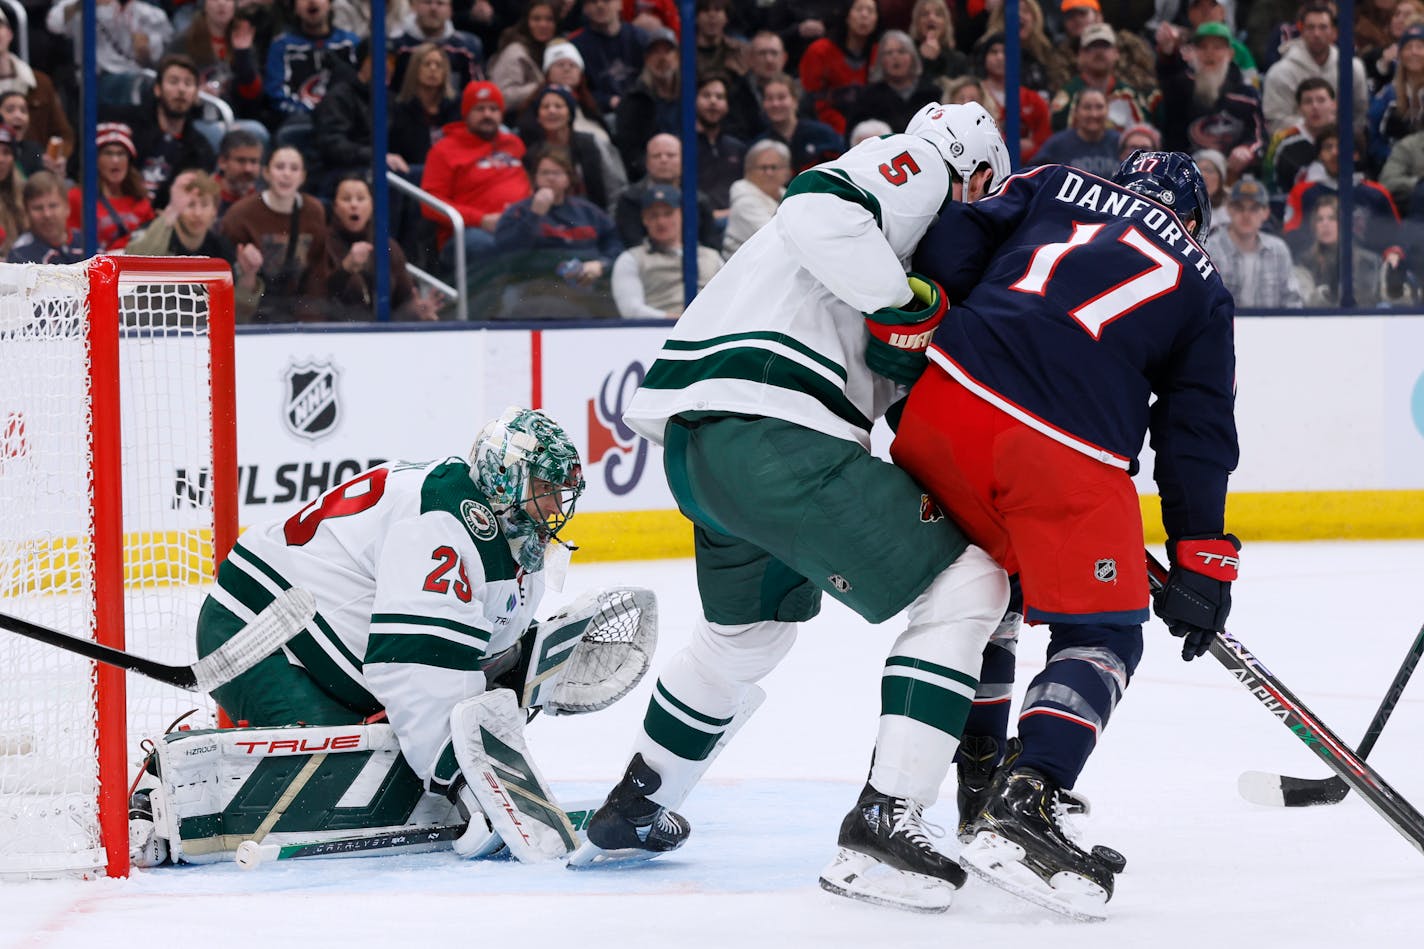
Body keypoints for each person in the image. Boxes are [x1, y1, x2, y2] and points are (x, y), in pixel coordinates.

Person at [574, 103, 1012, 917]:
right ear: (973, 167)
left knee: (747, 636)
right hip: (779, 429)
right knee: (971, 582)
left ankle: (636, 801)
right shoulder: (915, 165)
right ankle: (888, 817)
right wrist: (905, 301)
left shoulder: (887, 252)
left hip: (707, 446)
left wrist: (913, 322)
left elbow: (895, 381)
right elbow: (815, 206)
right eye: (986, 188)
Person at [895, 150, 1238, 918]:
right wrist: (1201, 558)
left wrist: (940, 350)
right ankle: (1030, 794)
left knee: (993, 586)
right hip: (1059, 449)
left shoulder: (1054, 183)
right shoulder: (1205, 283)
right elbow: (1196, 433)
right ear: (1193, 223)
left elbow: (954, 237)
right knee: (1103, 632)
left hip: (944, 408)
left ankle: (979, 777)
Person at [170, 408, 582, 862]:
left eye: (560, 493)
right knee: (347, 784)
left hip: (332, 652)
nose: (555, 507)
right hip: (261, 634)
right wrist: (466, 780)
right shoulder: (443, 522)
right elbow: (415, 669)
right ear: (505, 477)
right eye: (544, 490)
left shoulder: (508, 532)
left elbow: (465, 651)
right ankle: (160, 796)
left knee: (401, 768)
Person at [488, 145, 624, 317]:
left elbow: (615, 244)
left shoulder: (589, 212)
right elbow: (508, 253)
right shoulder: (518, 212)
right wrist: (534, 215)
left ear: (568, 179)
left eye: (557, 173)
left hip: (584, 285)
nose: (551, 178)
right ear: (535, 178)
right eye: (545, 173)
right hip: (532, 286)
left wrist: (602, 264)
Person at [420, 80, 532, 270]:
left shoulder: (514, 144)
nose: (487, 114)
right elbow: (430, 203)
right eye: (479, 109)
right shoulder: (444, 150)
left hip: (518, 226)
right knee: (489, 247)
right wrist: (481, 220)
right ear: (466, 113)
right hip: (469, 233)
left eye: (493, 109)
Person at [220, 145, 330, 323]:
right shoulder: (240, 214)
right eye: (280, 167)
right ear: (266, 173)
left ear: (303, 176)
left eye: (294, 168)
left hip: (299, 314)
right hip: (252, 313)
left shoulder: (314, 211)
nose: (286, 174)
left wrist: (313, 323)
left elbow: (317, 272)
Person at [104, 53, 218, 208]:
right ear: (157, 89)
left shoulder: (200, 149)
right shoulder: (127, 126)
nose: (181, 90)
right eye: (173, 81)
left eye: (188, 83)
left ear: (196, 95)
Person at [325, 174, 440, 321]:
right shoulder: (324, 243)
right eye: (346, 199)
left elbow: (403, 299)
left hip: (380, 336)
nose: (354, 205)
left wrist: (416, 311)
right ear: (335, 206)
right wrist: (345, 270)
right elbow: (317, 298)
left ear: (372, 205)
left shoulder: (387, 246)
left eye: (361, 199)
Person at [611, 183, 724, 317]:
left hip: (709, 329)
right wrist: (674, 320)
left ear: (682, 215)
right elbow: (631, 310)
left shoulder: (711, 256)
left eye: (668, 214)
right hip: (657, 333)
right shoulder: (631, 259)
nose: (661, 222)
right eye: (654, 215)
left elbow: (731, 297)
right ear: (644, 220)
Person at [1261, 1, 1368, 137]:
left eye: (1323, 27)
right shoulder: (1280, 73)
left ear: (1334, 32)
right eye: (1310, 28)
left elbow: (1360, 114)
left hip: (1343, 143)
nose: (1316, 34)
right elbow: (1276, 122)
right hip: (1297, 146)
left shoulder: (1353, 68)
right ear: (1302, 31)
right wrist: (1315, 127)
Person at [264, 0, 360, 147]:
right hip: (300, 121)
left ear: (330, 4)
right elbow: (276, 95)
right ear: (295, 8)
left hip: (345, 122)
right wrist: (312, 112)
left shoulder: (350, 43)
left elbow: (361, 88)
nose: (312, 2)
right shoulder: (282, 46)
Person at [47, 0, 174, 106]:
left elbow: (157, 60)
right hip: (97, 78)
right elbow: (53, 24)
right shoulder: (82, 5)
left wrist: (144, 52)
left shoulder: (151, 14)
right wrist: (83, 4)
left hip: (138, 75)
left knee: (154, 82)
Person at [1206, 175, 1304, 307]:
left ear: (1266, 213)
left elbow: (1292, 300)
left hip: (1271, 326)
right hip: (1224, 326)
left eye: (1254, 208)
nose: (1246, 215)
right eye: (1239, 207)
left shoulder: (1278, 250)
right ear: (1229, 209)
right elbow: (1202, 301)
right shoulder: (1210, 250)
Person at [519, 83, 619, 210]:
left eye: (558, 106)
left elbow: (615, 187)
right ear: (538, 117)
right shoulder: (532, 155)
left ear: (570, 114)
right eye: (545, 107)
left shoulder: (592, 142)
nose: (551, 111)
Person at [1048, 23, 1160, 134]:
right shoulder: (1068, 95)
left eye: (1105, 46)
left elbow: (1144, 139)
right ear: (1080, 55)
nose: (1099, 51)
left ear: (1116, 53)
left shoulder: (1129, 96)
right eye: (1092, 47)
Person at [615, 133, 719, 250]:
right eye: (656, 156)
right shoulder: (629, 199)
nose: (663, 160)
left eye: (671, 155)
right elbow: (630, 243)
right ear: (647, 162)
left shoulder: (698, 200)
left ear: (683, 160)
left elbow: (711, 243)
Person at [1292, 193, 1395, 308]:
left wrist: (1396, 289)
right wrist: (1328, 295)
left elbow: (1385, 301)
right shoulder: (1303, 262)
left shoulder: (1370, 261)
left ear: (1344, 224)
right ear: (1314, 226)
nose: (1325, 224)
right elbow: (1306, 303)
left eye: (1332, 218)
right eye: (1319, 219)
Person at [0, 7, 75, 162]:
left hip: (35, 170)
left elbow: (62, 135)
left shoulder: (40, 83)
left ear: (9, 33)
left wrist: (50, 160)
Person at [68, 122, 156, 252]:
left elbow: (152, 244)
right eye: (108, 153)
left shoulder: (142, 201)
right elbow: (71, 243)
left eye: (121, 154)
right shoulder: (77, 198)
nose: (115, 160)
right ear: (95, 160)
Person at [124, 169, 237, 267]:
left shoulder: (221, 248)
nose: (197, 213)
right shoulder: (152, 231)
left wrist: (248, 275)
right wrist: (172, 211)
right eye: (190, 205)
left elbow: (233, 288)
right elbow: (133, 263)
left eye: (204, 205)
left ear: (215, 210)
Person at [799, 0, 879, 136]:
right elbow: (812, 100)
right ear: (847, 15)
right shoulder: (820, 50)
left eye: (870, 11)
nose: (864, 15)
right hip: (827, 128)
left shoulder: (880, 52)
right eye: (859, 9)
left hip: (869, 128)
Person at [613, 27, 682, 179]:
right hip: (650, 177)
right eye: (655, 52)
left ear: (677, 57)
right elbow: (630, 152)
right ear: (646, 59)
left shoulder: (691, 97)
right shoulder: (633, 100)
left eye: (667, 51)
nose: (662, 58)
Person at [848, 30, 941, 134]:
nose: (895, 57)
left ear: (913, 57)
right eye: (889, 53)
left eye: (901, 51)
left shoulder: (932, 93)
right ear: (880, 60)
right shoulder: (868, 97)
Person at [753, 72, 844, 172]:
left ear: (795, 101)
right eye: (769, 98)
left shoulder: (822, 134)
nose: (775, 104)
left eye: (781, 97)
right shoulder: (759, 145)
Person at [392, 0, 487, 92]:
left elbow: (478, 94)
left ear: (450, 9)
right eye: (427, 2)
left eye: (440, 3)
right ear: (414, 6)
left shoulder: (466, 48)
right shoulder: (396, 46)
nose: (433, 8)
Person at [569, 0, 644, 114]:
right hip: (598, 114)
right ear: (584, 9)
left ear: (620, 4)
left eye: (607, 0)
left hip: (642, 110)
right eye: (593, 2)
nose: (600, 5)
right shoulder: (574, 46)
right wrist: (607, 100)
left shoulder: (641, 38)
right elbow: (576, 88)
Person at [488, 0, 560, 117]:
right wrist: (544, 85)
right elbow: (503, 97)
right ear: (526, 22)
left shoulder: (557, 49)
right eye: (536, 19)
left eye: (549, 19)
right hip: (516, 121)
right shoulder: (515, 52)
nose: (543, 24)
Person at [1266, 77, 1337, 194]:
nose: (1315, 107)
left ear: (1333, 105)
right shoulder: (1282, 141)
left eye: (1321, 100)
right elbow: (1271, 185)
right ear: (1299, 108)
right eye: (1308, 102)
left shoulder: (1347, 138)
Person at [721, 138, 791, 257]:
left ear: (787, 172)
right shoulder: (744, 202)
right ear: (748, 171)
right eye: (763, 168)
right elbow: (777, 238)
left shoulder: (788, 196)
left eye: (774, 167)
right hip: (746, 269)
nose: (769, 173)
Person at [1031, 87, 1121, 177]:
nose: (1094, 114)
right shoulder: (1057, 145)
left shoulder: (1120, 143)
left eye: (1099, 107)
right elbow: (1032, 178)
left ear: (1108, 110)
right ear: (1076, 112)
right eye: (1087, 107)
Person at [691, 73, 746, 215]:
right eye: (706, 95)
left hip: (735, 219)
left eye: (720, 97)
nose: (713, 101)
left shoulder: (737, 147)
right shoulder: (681, 145)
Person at [8, 171, 84, 265]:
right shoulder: (19, 254)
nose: (47, 214)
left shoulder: (86, 242)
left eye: (53, 206)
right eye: (38, 208)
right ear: (26, 212)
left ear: (67, 208)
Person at [909, 0, 969, 85]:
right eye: (925, 14)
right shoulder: (907, 56)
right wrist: (927, 61)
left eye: (938, 14)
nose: (931, 18)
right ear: (917, 22)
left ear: (946, 23)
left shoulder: (959, 60)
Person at [214, 128, 264, 214]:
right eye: (241, 161)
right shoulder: (204, 197)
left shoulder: (264, 199)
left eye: (254, 161)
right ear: (222, 162)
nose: (248, 169)